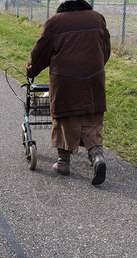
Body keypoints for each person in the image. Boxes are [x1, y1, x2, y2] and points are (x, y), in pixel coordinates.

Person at [26, 0, 111, 185]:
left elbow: (41, 53)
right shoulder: (98, 19)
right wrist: (96, 67)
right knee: (91, 121)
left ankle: (63, 163)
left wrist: (30, 71)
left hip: (64, 81)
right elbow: (105, 50)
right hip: (93, 79)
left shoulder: (55, 22)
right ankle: (97, 158)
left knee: (64, 119)